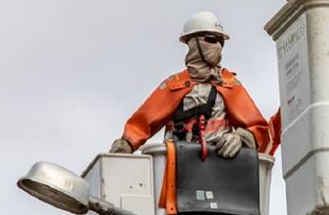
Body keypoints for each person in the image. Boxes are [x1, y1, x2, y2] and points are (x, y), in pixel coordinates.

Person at [109, 11, 269, 158]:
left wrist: (242, 138)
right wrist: (125, 146)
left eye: (221, 42)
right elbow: (141, 124)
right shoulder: (175, 85)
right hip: (179, 167)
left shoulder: (230, 86)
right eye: (211, 40)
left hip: (221, 168)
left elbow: (260, 129)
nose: (218, 47)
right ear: (193, 42)